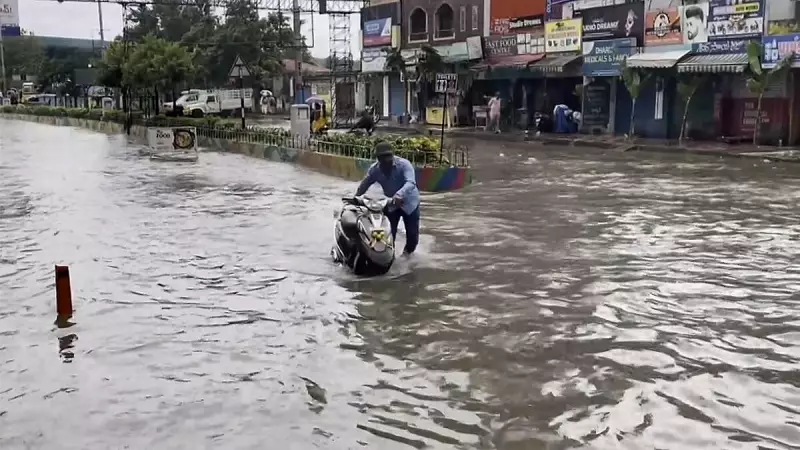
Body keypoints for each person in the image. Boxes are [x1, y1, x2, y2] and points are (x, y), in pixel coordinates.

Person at [355, 142, 420, 256]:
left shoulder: (404, 165)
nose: (387, 160)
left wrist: (399, 195)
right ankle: (390, 257)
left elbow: (411, 182)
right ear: (378, 158)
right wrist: (356, 198)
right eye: (383, 157)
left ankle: (407, 256)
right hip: (391, 205)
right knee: (388, 234)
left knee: (412, 236)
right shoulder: (375, 169)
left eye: (389, 156)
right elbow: (365, 184)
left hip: (410, 203)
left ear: (393, 155)